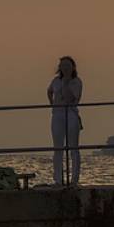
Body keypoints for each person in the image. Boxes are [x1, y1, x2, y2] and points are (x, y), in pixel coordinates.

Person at [47, 56, 84, 186]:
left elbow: (70, 98)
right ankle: (58, 179)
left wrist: (66, 83)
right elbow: (49, 91)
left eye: (68, 66)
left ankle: (74, 180)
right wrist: (52, 104)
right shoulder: (56, 81)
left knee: (73, 148)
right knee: (58, 148)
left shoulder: (76, 82)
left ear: (73, 67)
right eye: (63, 66)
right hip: (57, 114)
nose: (65, 68)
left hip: (71, 113)